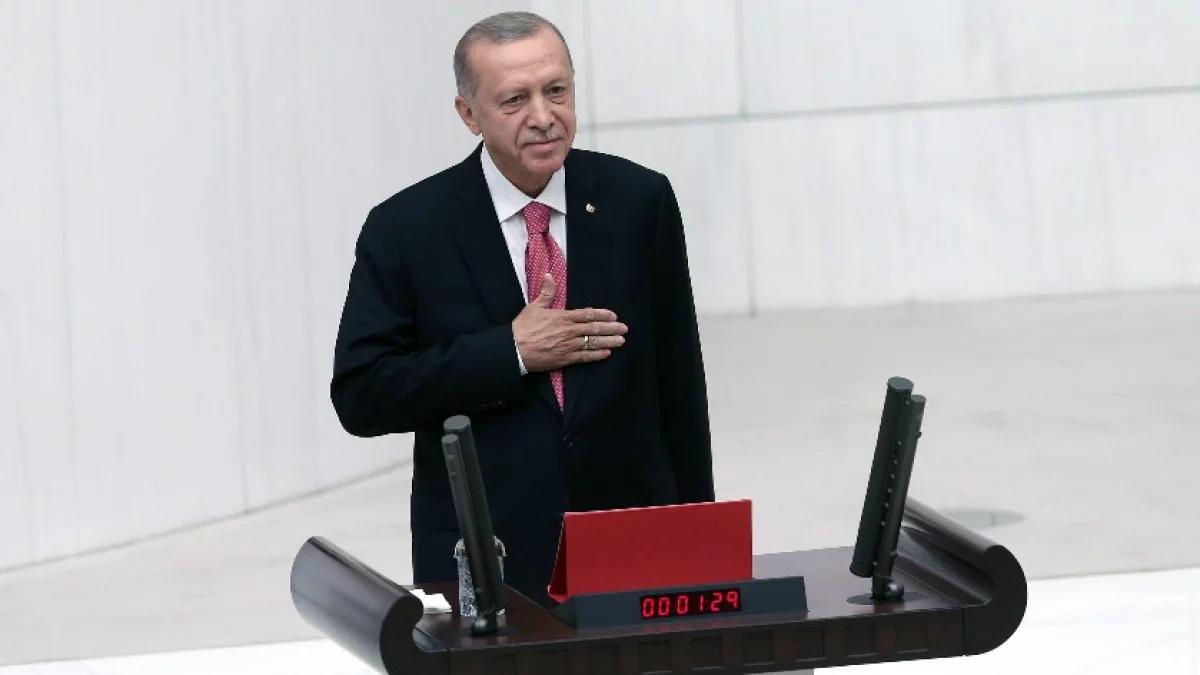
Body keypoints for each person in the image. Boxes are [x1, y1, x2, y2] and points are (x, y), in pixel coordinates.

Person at [331, 11, 712, 606]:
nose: (543, 116)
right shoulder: (406, 229)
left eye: (556, 90)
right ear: (469, 114)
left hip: (630, 541)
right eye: (514, 100)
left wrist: (699, 542)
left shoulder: (640, 200)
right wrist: (509, 352)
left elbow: (680, 388)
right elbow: (362, 395)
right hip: (490, 553)